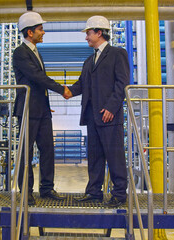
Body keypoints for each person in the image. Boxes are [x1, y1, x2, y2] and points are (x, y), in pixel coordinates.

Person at [65, 16, 129, 207]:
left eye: (88, 33)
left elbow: (122, 83)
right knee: (94, 156)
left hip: (109, 115)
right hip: (92, 117)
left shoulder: (118, 54)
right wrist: (65, 91)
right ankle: (94, 192)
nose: (86, 37)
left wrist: (111, 107)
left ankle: (119, 194)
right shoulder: (88, 61)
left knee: (114, 155)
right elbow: (81, 85)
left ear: (99, 32)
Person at [13, 11, 72, 205]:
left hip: (42, 111)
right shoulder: (20, 52)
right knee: (26, 153)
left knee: (48, 150)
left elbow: (38, 84)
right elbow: (37, 77)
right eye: (40, 29)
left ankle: (46, 189)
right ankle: (26, 192)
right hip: (28, 110)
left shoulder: (36, 52)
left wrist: (46, 106)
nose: (43, 32)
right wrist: (61, 89)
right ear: (30, 32)